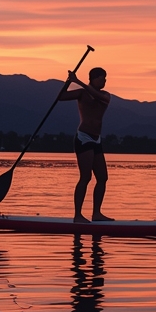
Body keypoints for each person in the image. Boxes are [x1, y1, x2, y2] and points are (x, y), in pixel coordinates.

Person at [59, 66, 112, 222]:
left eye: (105, 78)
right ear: (93, 79)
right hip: (84, 137)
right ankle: (77, 216)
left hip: (97, 139)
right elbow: (61, 96)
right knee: (86, 177)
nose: (105, 81)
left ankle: (96, 213)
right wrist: (68, 82)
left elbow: (96, 95)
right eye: (102, 78)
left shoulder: (105, 95)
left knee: (102, 177)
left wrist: (77, 81)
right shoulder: (82, 93)